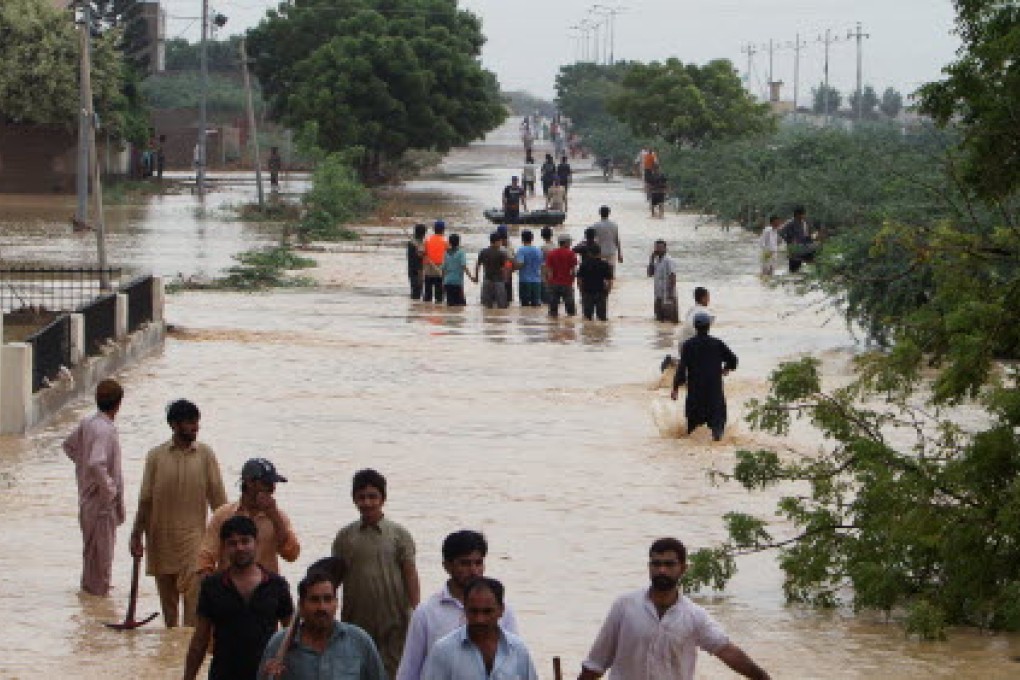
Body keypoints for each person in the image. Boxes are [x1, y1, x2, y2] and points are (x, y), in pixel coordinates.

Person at [578, 538, 771, 680]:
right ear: (649, 567)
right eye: (656, 564)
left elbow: (726, 651)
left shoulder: (695, 616)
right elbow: (596, 663)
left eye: (669, 564)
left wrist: (762, 677)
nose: (662, 570)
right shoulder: (625, 606)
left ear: (683, 568)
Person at [130, 399, 227, 628]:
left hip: (195, 543)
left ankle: (185, 653)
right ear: (174, 425)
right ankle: (170, 657)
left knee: (193, 615)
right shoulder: (155, 457)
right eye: (189, 422)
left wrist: (227, 541)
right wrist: (136, 534)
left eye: (197, 422)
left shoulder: (205, 455)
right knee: (170, 618)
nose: (195, 427)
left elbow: (219, 501)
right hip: (161, 541)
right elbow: (145, 500)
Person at [331, 469, 420, 678]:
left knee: (393, 671)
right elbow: (334, 577)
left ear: (383, 498)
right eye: (361, 497)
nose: (367, 502)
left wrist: (418, 612)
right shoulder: (345, 537)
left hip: (395, 620)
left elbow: (410, 574)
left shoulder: (399, 535)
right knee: (357, 670)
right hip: (355, 620)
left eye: (373, 497)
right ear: (354, 499)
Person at [396, 531, 520, 680]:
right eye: (465, 563)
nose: (474, 571)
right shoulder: (426, 613)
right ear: (447, 566)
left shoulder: (501, 611)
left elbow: (514, 663)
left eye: (478, 563)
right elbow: (409, 671)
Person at [184, 516, 295, 680]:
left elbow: (291, 635)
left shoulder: (276, 585)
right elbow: (200, 639)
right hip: (223, 674)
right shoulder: (212, 586)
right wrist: (188, 677)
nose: (240, 548)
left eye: (245, 541)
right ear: (224, 548)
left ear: (256, 543)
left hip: (265, 675)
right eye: (232, 543)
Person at [259, 570, 387, 680]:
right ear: (301, 606)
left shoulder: (360, 642)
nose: (322, 607)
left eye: (328, 599)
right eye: (314, 600)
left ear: (336, 603)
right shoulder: (280, 644)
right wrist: (269, 677)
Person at [63, 378, 126, 596]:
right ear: (118, 404)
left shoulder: (87, 423)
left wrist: (84, 474)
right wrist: (109, 490)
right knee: (102, 557)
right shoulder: (105, 430)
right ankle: (100, 598)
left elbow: (69, 447)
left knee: (91, 554)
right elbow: (96, 462)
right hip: (101, 503)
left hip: (87, 498)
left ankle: (90, 602)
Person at [196, 458, 300, 577]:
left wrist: (274, 517)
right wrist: (213, 588)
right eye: (267, 484)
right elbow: (206, 557)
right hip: (230, 588)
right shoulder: (223, 515)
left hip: (265, 589)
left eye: (273, 484)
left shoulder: (279, 517)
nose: (272, 489)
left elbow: (292, 555)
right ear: (249, 483)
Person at [421, 578, 538, 680]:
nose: (479, 619)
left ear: (501, 610)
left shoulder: (518, 649)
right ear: (465, 609)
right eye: (473, 611)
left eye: (487, 612)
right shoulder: (443, 651)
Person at [671, 312, 738, 441]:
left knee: (692, 436)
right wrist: (727, 368)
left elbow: (681, 370)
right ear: (709, 326)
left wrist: (675, 388)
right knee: (717, 436)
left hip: (695, 398)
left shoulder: (688, 346)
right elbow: (733, 359)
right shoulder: (717, 344)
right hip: (715, 397)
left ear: (695, 327)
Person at [577, 244, 613, 322]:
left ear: (589, 253)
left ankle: (588, 333)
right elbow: (609, 280)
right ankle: (601, 333)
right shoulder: (605, 264)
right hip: (600, 292)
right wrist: (608, 292)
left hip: (587, 292)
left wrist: (581, 291)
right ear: (600, 253)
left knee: (587, 318)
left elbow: (579, 280)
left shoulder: (584, 264)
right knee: (602, 319)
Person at [545, 233, 578, 318]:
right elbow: (573, 270)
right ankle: (570, 327)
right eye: (570, 242)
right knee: (571, 312)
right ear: (566, 243)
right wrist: (572, 281)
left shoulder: (551, 253)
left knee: (553, 311)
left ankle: (553, 328)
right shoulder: (571, 254)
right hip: (566, 283)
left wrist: (549, 282)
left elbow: (549, 270)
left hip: (554, 283)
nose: (570, 244)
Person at [475, 232, 510, 309]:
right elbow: (506, 267)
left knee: (487, 307)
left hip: (487, 280)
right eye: (500, 241)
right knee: (502, 306)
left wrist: (476, 277)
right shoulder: (502, 253)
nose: (501, 243)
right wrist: (506, 278)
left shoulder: (483, 252)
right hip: (499, 282)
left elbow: (477, 265)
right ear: (496, 242)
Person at [647, 240, 679, 323]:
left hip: (667, 295)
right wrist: (651, 259)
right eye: (656, 247)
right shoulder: (657, 261)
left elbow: (673, 276)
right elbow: (650, 274)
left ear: (665, 249)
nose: (658, 249)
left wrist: (670, 294)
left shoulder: (669, 260)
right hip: (658, 295)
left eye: (660, 247)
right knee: (659, 320)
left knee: (670, 321)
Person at [441, 233, 475, 307]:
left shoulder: (445, 253)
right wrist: (471, 278)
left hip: (448, 282)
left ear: (449, 242)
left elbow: (443, 268)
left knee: (450, 305)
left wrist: (443, 282)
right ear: (458, 242)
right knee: (461, 306)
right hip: (457, 283)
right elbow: (464, 266)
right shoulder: (461, 252)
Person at [515, 229, 544, 307]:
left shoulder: (521, 250)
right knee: (536, 306)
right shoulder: (538, 251)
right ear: (532, 238)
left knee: (525, 306)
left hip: (524, 281)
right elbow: (542, 265)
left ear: (522, 239)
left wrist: (514, 267)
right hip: (537, 281)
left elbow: (520, 264)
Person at [780, 206, 813, 273]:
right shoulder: (790, 222)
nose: (804, 215)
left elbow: (807, 235)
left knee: (800, 267)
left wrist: (810, 242)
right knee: (793, 268)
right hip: (793, 249)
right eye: (803, 214)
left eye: (804, 214)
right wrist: (788, 240)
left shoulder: (804, 223)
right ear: (798, 214)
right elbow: (780, 232)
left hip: (802, 248)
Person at [422, 221, 448, 303]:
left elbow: (422, 253)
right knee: (439, 297)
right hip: (439, 269)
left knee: (427, 296)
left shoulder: (427, 240)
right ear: (443, 230)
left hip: (428, 269)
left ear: (434, 229)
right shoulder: (445, 241)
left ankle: (426, 310)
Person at [591, 206, 623, 274]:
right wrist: (620, 254)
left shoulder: (595, 225)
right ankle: (610, 284)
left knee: (600, 273)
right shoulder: (614, 225)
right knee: (611, 273)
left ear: (600, 213)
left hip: (599, 252)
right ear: (609, 213)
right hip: (611, 251)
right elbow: (617, 240)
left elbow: (592, 240)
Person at [406, 224, 428, 299]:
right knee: (417, 291)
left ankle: (415, 307)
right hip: (418, 270)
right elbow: (419, 257)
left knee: (416, 290)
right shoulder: (415, 244)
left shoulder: (412, 243)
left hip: (411, 269)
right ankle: (415, 307)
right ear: (423, 234)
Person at [539, 226, 556, 305]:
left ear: (542, 236)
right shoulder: (556, 246)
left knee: (545, 296)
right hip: (555, 271)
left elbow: (540, 260)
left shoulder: (543, 247)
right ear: (551, 235)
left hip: (545, 271)